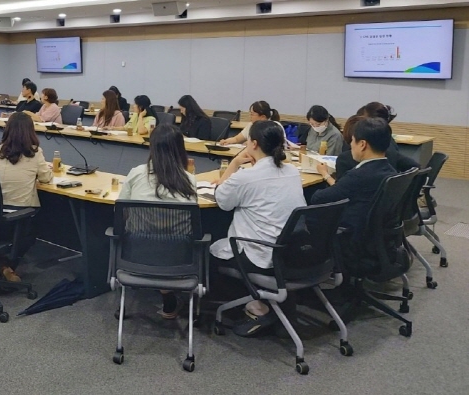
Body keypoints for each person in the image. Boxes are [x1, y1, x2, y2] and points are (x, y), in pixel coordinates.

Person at [209, 120, 306, 336]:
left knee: (212, 249)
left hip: (261, 256)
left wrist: (235, 163)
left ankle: (256, 306)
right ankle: (263, 303)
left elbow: (222, 200)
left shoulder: (246, 177)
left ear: (253, 144)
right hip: (292, 252)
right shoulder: (292, 171)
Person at [118, 124, 197, 319]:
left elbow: (120, 211)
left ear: (151, 147)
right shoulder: (189, 180)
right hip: (178, 258)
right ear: (180, 149)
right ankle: (169, 296)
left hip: (137, 253)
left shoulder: (136, 173)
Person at [311, 117, 398, 259]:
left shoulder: (358, 176)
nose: (351, 145)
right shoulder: (391, 171)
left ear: (362, 144)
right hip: (375, 240)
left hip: (353, 239)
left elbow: (319, 198)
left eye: (352, 141)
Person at [0, 112, 53, 281]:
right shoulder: (35, 153)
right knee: (33, 230)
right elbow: (46, 178)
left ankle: (1, 266)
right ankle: (6, 268)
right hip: (21, 212)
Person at [336, 101, 419, 175]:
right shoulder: (388, 143)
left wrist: (328, 177)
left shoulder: (347, 158)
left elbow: (341, 185)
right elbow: (415, 166)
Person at [220, 100, 285, 145]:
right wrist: (226, 141)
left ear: (262, 117)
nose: (250, 117)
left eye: (252, 114)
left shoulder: (275, 127)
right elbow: (237, 139)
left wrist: (250, 144)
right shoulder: (251, 125)